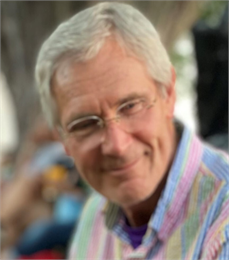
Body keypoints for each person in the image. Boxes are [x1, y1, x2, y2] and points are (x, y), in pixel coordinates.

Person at [35, 2, 229, 259]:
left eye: (131, 106)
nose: (117, 144)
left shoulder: (221, 220)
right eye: (85, 124)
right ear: (64, 139)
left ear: (169, 94)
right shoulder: (94, 217)